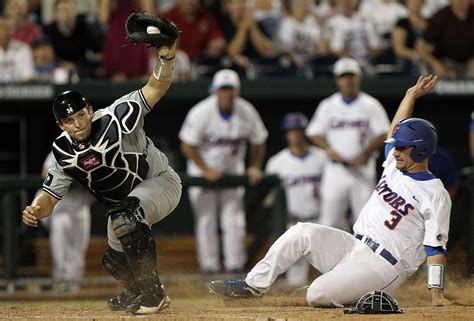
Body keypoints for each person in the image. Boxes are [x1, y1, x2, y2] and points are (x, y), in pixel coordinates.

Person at [209, 75, 453, 308]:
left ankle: (362, 295)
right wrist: (411, 95)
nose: (395, 150)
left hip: (384, 266)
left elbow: (435, 248)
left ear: (420, 151)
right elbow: (394, 130)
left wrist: (436, 293)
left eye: (402, 147)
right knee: (301, 231)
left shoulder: (435, 193)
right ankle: (254, 286)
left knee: (316, 294)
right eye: (396, 146)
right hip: (353, 247)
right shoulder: (394, 166)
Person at [22, 34, 181, 314]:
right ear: (61, 125)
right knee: (113, 261)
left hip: (160, 182)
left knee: (125, 218)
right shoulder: (63, 151)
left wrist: (166, 58)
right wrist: (36, 210)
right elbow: (49, 198)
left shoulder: (115, 117)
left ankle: (153, 296)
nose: (78, 123)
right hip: (125, 205)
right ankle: (137, 292)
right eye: (69, 121)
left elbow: (156, 87)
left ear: (90, 110)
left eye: (81, 115)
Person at [179, 69, 268, 275]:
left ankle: (235, 267)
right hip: (203, 173)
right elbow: (187, 145)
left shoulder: (246, 111)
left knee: (234, 221)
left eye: (231, 89)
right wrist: (205, 169)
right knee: (206, 221)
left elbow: (259, 140)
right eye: (223, 89)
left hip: (232, 171)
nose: (227, 93)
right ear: (215, 91)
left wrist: (254, 165)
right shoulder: (201, 112)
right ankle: (209, 268)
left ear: (237, 91)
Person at [306, 57, 390, 229]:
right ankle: (327, 256)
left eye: (351, 76)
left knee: (367, 222)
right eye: (343, 76)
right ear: (337, 80)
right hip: (336, 169)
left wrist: (366, 153)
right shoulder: (328, 105)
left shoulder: (370, 104)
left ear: (358, 77)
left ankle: (365, 256)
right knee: (328, 221)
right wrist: (328, 149)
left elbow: (384, 133)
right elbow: (314, 133)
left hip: (362, 169)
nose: (348, 80)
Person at [265, 112, 326, 287]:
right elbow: (271, 201)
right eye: (291, 131)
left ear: (305, 132)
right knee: (295, 281)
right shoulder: (276, 163)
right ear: (286, 134)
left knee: (334, 268)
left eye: (298, 130)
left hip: (321, 220)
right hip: (293, 224)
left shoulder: (322, 158)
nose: (295, 134)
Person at [40, 151, 93, 293]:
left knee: (78, 251)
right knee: (60, 250)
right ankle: (60, 283)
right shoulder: (59, 149)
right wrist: (67, 175)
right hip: (60, 207)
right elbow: (45, 173)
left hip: (81, 207)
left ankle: (74, 288)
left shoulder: (92, 150)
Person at [416, 0, 474, 78]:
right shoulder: (440, 17)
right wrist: (435, 63)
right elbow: (420, 45)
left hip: (470, 62)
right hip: (446, 62)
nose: (461, 1)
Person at [0, 15, 34, 83]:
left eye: (10, 29)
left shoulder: (23, 48)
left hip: (20, 91)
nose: (7, 32)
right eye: (3, 29)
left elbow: (28, 76)